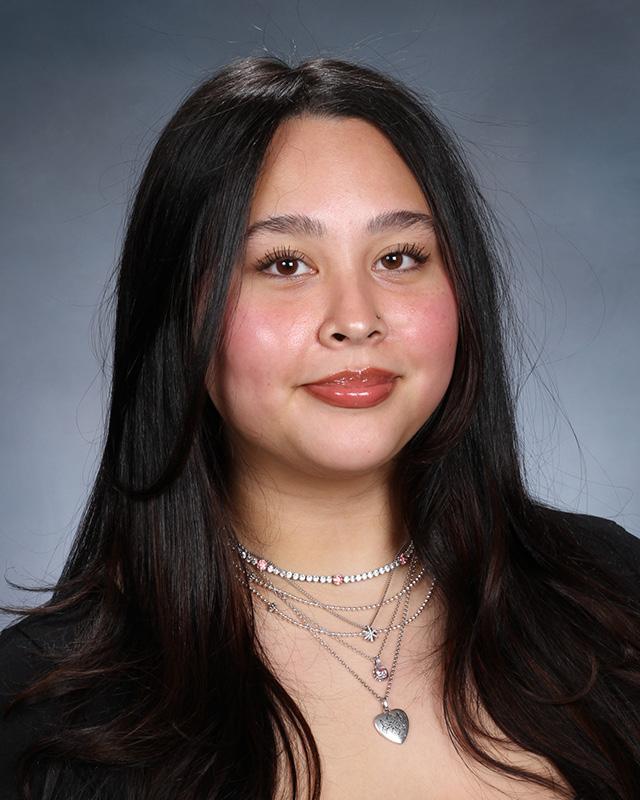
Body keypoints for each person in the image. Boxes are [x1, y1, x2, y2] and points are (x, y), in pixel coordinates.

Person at [0, 55, 639, 800]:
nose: (356, 319)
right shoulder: (37, 711)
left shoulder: (614, 597)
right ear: (179, 310)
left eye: (398, 256)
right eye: (283, 264)